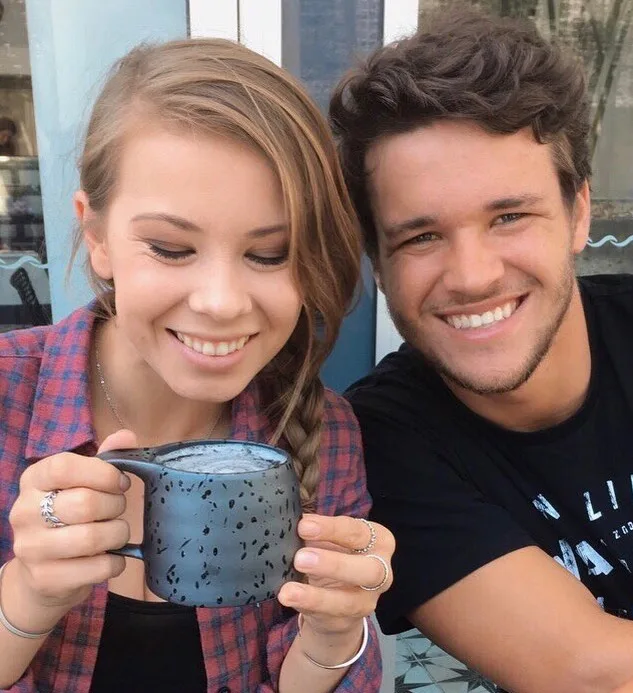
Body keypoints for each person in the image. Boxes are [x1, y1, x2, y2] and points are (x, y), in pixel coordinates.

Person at [0, 38, 394, 693]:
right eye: (170, 247)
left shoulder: (326, 433)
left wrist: (334, 633)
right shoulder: (9, 394)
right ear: (96, 235)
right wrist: (27, 593)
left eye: (269, 254)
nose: (220, 302)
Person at [331, 8, 633, 693]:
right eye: (420, 237)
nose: (471, 276)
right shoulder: (381, 442)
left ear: (579, 212)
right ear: (378, 263)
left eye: (509, 216)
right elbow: (594, 676)